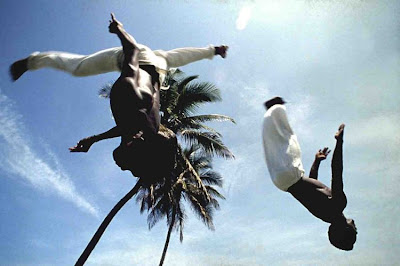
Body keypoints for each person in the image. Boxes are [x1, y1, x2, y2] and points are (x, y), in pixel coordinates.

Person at [69, 14, 178, 180]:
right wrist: (118, 29)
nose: (122, 169)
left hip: (152, 85)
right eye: (130, 167)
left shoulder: (142, 127)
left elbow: (128, 126)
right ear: (134, 144)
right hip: (146, 61)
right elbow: (132, 50)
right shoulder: (131, 92)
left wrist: (94, 139)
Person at [262, 96, 357, 251]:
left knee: (286, 138)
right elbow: (311, 185)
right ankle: (274, 110)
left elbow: (337, 172)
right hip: (284, 181)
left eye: (355, 233)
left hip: (290, 175)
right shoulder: (326, 216)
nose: (357, 229)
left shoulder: (339, 204)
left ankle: (275, 108)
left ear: (346, 230)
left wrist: (339, 142)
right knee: (278, 141)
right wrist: (317, 162)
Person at [9, 27, 228, 90]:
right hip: (132, 56)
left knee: (78, 67)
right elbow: (184, 56)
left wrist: (212, 51)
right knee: (78, 68)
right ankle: (31, 61)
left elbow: (184, 55)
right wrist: (120, 31)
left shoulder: (164, 61)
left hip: (135, 57)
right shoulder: (162, 65)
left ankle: (31, 62)